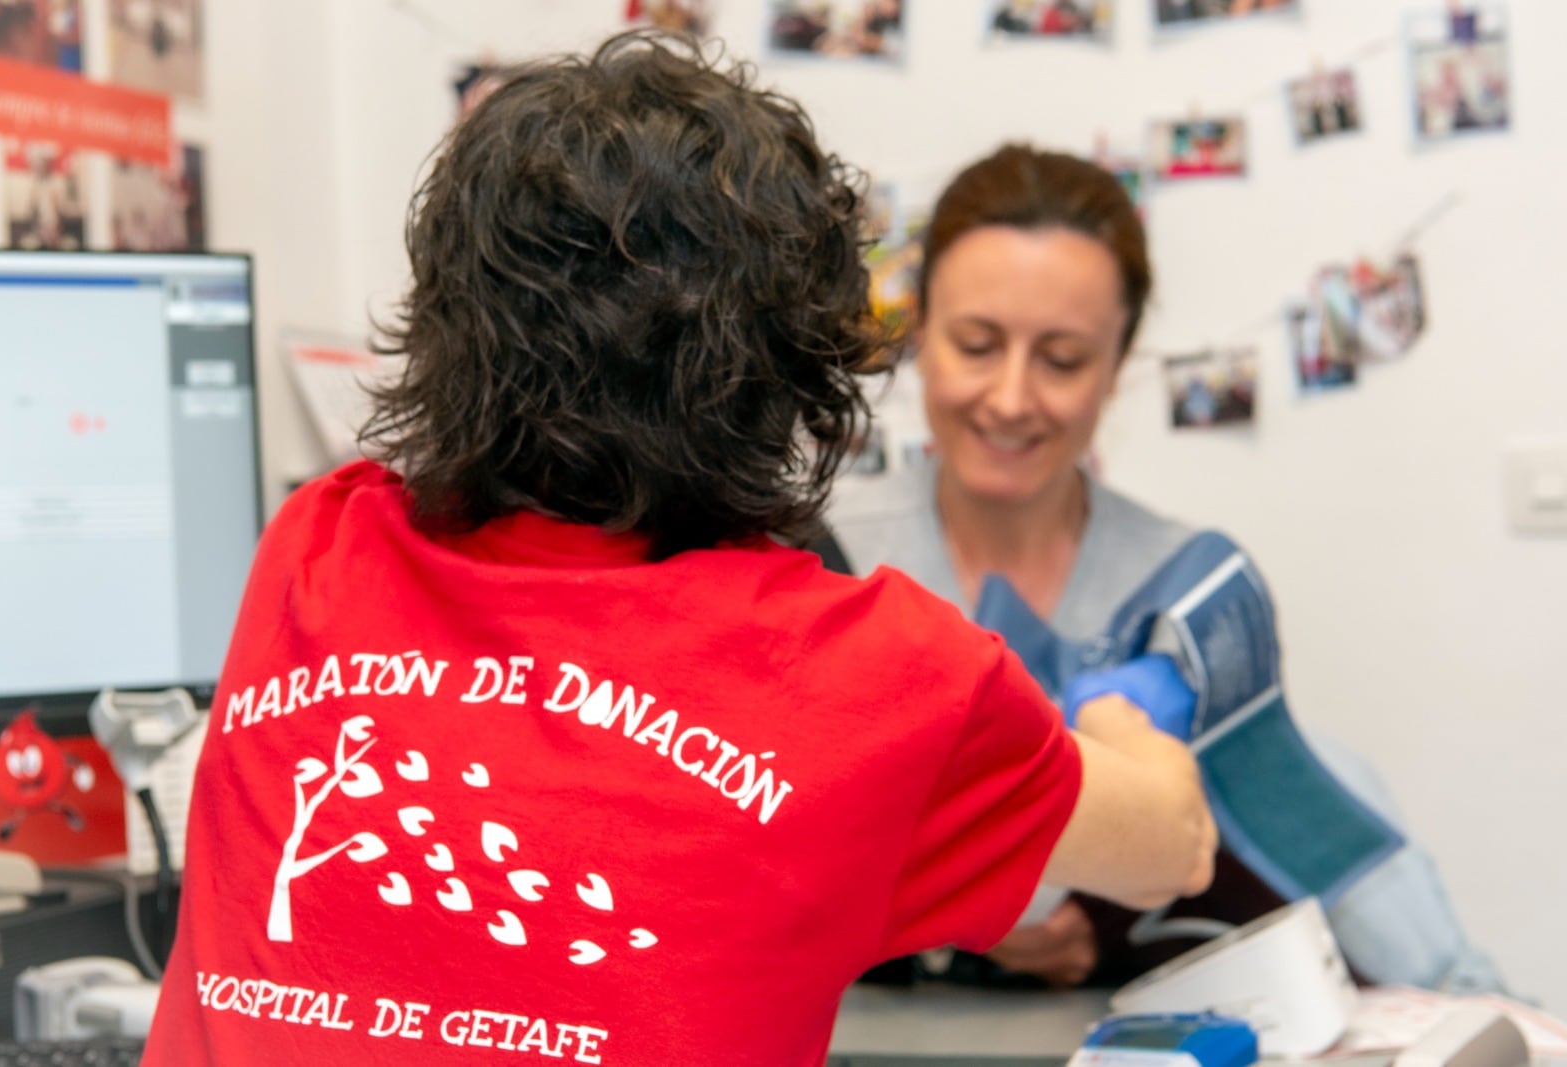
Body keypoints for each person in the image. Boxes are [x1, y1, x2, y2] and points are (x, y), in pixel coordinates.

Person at [142, 35, 1215, 1066]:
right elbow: (1172, 845)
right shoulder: (876, 679)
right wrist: (1126, 722)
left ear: (445, 321)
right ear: (797, 364)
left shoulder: (312, 546)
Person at [826, 143, 1507, 995]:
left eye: (1063, 359)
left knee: (1330, 765)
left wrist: (1478, 1014)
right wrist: (960, 913)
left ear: (1120, 366)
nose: (1009, 397)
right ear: (921, 332)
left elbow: (1313, 820)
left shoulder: (1184, 588)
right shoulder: (826, 561)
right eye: (976, 344)